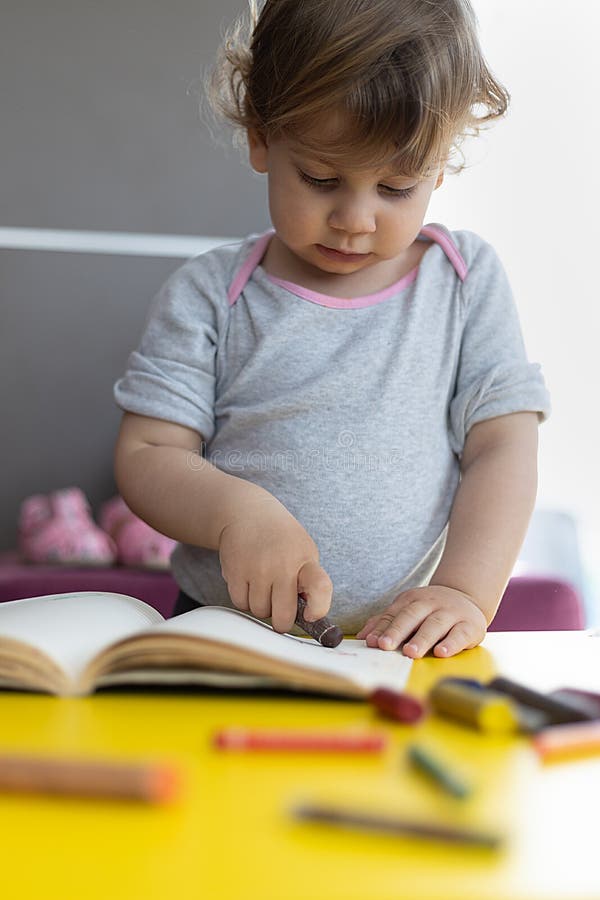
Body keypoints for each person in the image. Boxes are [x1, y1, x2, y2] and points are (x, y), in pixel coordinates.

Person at [113, 0, 551, 658]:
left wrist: (464, 590)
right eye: (321, 178)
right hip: (221, 631)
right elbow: (148, 452)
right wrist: (237, 512)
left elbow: (503, 448)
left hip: (395, 647)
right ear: (262, 136)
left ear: (439, 165)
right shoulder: (210, 294)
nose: (355, 220)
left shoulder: (465, 284)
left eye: (396, 188)